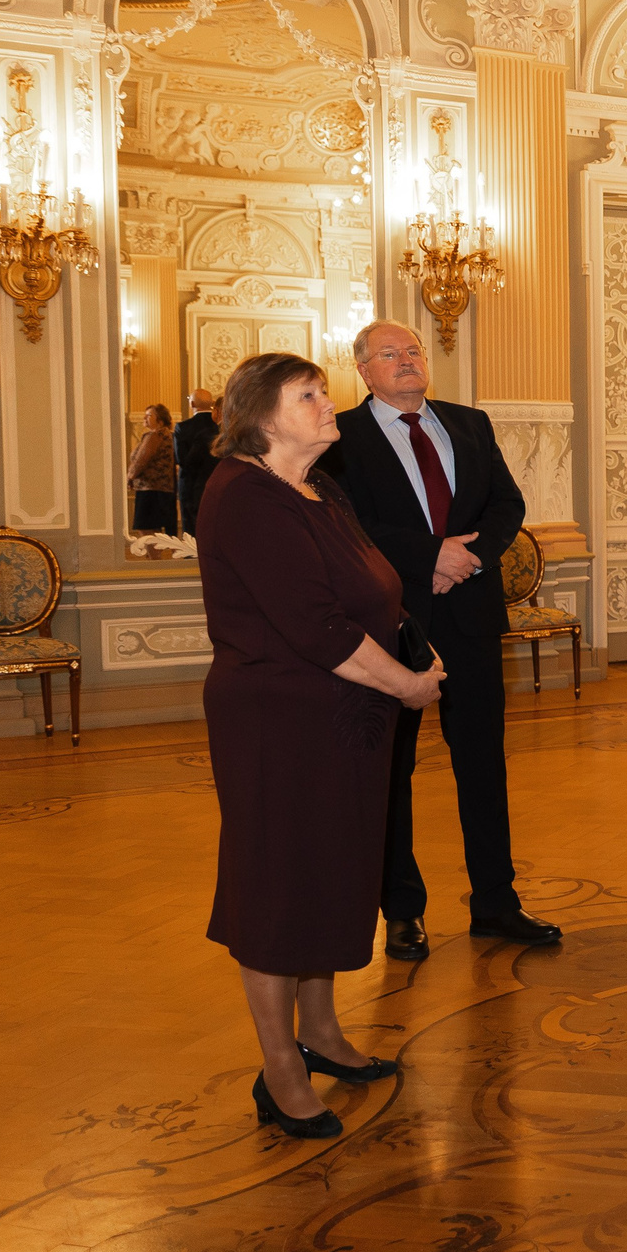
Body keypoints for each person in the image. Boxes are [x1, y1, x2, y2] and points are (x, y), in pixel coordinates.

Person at [198, 352, 445, 1140]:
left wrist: (412, 652)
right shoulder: (245, 496)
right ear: (262, 415)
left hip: (344, 721)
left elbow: (371, 588)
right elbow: (317, 627)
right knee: (279, 887)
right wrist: (407, 686)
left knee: (329, 875)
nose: (328, 402)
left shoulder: (319, 486)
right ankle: (281, 1069)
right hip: (279, 724)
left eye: (322, 391)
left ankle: (324, 1033)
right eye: (307, 394)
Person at [329, 323, 560, 961]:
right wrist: (430, 555)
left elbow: (506, 506)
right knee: (392, 769)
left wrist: (468, 559)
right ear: (363, 371)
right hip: (392, 621)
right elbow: (348, 523)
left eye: (413, 351)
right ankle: (402, 910)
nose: (406, 361)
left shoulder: (469, 423)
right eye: (389, 355)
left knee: (483, 763)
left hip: (471, 616)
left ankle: (496, 902)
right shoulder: (342, 436)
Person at [128, 404, 179, 536]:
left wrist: (130, 476)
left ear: (160, 421)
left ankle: (154, 551)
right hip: (161, 488)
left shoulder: (155, 436)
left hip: (150, 488)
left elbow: (142, 459)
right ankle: (157, 550)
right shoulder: (166, 435)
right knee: (154, 528)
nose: (144, 417)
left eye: (149, 415)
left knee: (145, 527)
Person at [176, 388, 221, 536]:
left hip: (190, 485)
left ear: (192, 404)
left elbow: (181, 460)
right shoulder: (221, 429)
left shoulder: (182, 427)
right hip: (217, 484)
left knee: (191, 531)